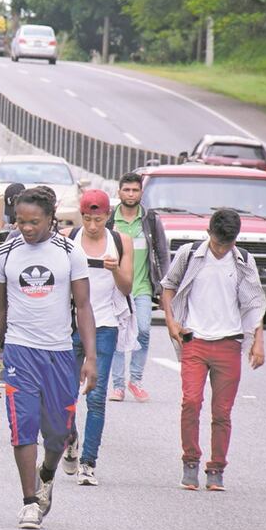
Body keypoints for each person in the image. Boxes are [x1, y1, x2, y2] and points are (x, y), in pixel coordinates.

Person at [0, 187, 97, 530]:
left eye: (34, 222)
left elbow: (83, 306)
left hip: (60, 353)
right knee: (23, 427)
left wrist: (90, 357)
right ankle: (29, 502)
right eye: (21, 221)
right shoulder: (5, 253)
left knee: (59, 433)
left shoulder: (70, 252)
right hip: (20, 352)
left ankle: (46, 472)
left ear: (50, 219)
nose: (27, 228)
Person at [161, 208, 265, 492]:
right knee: (191, 401)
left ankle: (217, 468)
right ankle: (190, 461)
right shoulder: (190, 254)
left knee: (222, 412)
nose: (221, 249)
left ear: (235, 239)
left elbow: (254, 304)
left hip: (229, 343)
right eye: (218, 243)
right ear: (209, 234)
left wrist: (258, 341)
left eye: (227, 244)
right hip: (194, 340)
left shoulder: (244, 261)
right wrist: (171, 322)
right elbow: (168, 287)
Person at [60, 190, 132, 486]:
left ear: (107, 216)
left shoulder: (120, 241)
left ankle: (88, 463)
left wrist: (115, 271)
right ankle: (70, 439)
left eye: (98, 220)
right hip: (70, 326)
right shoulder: (67, 239)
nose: (92, 225)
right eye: (87, 219)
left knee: (97, 396)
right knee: (63, 395)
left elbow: (127, 287)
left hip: (104, 326)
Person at [107, 172, 170, 402]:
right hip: (115, 288)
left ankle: (136, 380)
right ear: (119, 192)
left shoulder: (150, 220)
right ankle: (118, 385)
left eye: (135, 190)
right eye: (127, 190)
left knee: (143, 330)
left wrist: (164, 288)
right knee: (116, 334)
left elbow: (162, 254)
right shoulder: (110, 220)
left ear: (141, 193)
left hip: (143, 287)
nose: (131, 194)